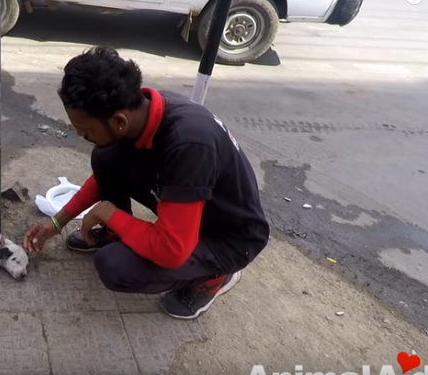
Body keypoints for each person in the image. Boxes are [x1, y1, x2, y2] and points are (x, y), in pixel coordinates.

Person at [22, 46, 270, 320]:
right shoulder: (142, 112)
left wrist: (110, 213)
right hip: (192, 217)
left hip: (229, 239)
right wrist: (57, 221)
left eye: (85, 129)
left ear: (118, 121)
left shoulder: (189, 144)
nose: (80, 134)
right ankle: (120, 232)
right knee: (105, 155)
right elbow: (103, 175)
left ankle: (216, 276)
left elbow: (172, 250)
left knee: (115, 266)